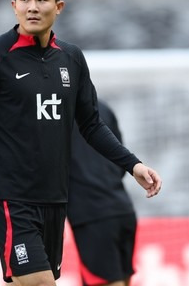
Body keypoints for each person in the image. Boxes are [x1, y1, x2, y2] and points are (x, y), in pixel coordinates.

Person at [0, 0, 162, 286]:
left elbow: (91, 125)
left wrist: (133, 165)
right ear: (14, 6)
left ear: (58, 7)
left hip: (55, 202)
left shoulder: (71, 59)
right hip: (10, 200)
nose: (33, 6)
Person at [68, 100, 137, 286]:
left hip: (92, 216)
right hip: (123, 208)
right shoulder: (102, 108)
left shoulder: (52, 113)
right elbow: (120, 161)